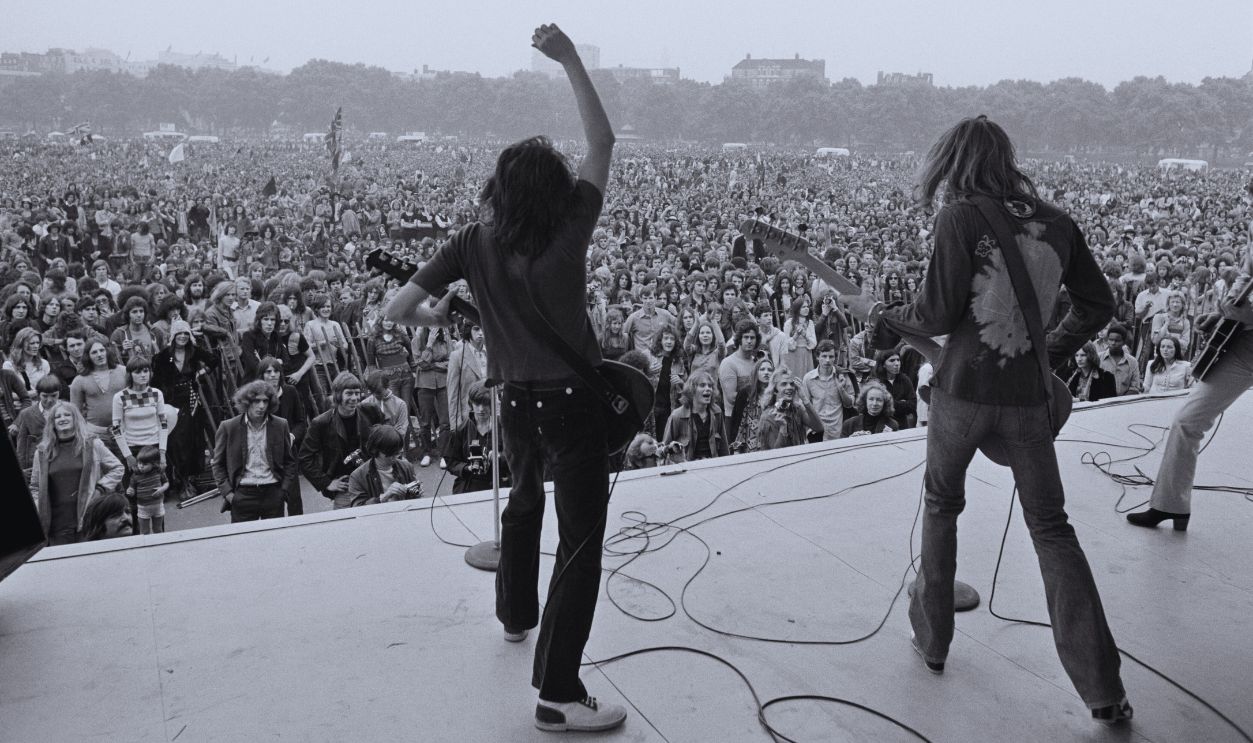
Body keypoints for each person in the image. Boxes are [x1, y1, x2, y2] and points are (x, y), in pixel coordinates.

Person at [384, 24, 627, 732]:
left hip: (513, 402)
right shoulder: (571, 224)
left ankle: (515, 616)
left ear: (497, 188)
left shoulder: (471, 240)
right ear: (554, 189)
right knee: (579, 543)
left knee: (522, 505)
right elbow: (603, 144)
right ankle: (557, 692)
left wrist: (450, 314)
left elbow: (398, 309)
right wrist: (570, 58)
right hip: (573, 403)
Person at [866, 116, 1130, 723]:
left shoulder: (959, 217)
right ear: (1007, 159)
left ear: (951, 162)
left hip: (961, 392)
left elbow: (933, 312)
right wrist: (1051, 353)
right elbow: (1100, 304)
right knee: (1052, 530)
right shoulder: (1058, 223)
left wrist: (884, 313)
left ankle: (933, 645)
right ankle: (1102, 692)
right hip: (1027, 401)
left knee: (941, 505)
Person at [1127, 261, 1253, 532]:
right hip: (1246, 348)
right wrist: (1225, 312)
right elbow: (1247, 273)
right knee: (1187, 422)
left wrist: (1246, 314)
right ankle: (1170, 505)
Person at [29, 401, 124, 545]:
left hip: (88, 519)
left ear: (75, 419)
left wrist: (101, 489)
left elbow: (117, 468)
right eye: (57, 416)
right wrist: (40, 508)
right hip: (57, 525)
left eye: (67, 415)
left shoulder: (92, 444)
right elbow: (35, 486)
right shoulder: (42, 452)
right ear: (52, 423)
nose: (62, 419)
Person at [211, 379, 298, 523]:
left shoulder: (280, 425)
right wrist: (229, 494)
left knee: (275, 541)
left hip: (273, 492)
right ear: (246, 402)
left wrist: (283, 490)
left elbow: (289, 461)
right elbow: (217, 464)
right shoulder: (228, 427)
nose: (261, 406)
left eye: (265, 401)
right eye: (256, 401)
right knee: (243, 543)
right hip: (243, 493)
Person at [299, 372, 371, 509]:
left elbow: (383, 442)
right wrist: (326, 483)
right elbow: (304, 458)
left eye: (357, 393)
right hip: (345, 487)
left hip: (371, 481)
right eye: (349, 393)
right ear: (338, 395)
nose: (354, 398)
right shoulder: (321, 423)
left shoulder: (369, 413)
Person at [257, 356, 308, 516]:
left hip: (288, 454)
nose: (273, 375)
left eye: (276, 371)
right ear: (262, 375)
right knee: (273, 502)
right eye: (268, 372)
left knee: (294, 499)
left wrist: (292, 436)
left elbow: (301, 422)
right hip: (266, 455)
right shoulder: (257, 397)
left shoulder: (290, 392)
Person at [444, 380, 512, 494]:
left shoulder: (505, 427)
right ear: (471, 404)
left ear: (492, 403)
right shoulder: (461, 430)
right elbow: (451, 461)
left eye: (485, 403)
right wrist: (467, 468)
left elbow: (518, 456)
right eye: (477, 404)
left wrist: (500, 457)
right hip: (470, 484)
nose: (481, 409)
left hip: (500, 482)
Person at [661, 371, 729, 461]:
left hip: (713, 465)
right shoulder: (677, 416)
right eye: (702, 385)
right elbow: (665, 448)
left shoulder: (717, 412)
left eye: (710, 386)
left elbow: (724, 447)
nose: (708, 388)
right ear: (692, 390)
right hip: (688, 468)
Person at [345, 425, 420, 507]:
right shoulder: (357, 476)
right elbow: (357, 508)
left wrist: (416, 494)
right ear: (375, 450)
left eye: (399, 453)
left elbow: (415, 501)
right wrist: (383, 498)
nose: (396, 457)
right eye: (391, 454)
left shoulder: (407, 467)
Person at [801, 340, 856, 441]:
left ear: (835, 358)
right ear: (817, 357)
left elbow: (850, 404)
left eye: (831, 357)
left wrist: (841, 389)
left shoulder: (842, 375)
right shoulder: (808, 378)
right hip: (816, 431)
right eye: (824, 356)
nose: (827, 360)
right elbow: (805, 407)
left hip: (837, 430)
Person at [756, 367, 823, 450]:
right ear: (775, 390)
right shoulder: (768, 417)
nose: (789, 387)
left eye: (792, 384)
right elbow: (774, 453)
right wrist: (783, 428)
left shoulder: (797, 409)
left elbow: (819, 428)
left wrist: (805, 399)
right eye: (784, 384)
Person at [127, 445, 168, 534]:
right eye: (139, 463)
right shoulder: (135, 476)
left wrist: (162, 489)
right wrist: (130, 491)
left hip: (158, 506)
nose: (140, 466)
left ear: (154, 464)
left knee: (158, 529)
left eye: (145, 464)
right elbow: (132, 490)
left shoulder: (158, 472)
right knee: (144, 531)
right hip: (143, 508)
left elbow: (166, 483)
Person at [1097, 324, 1141, 396]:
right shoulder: (1099, 358)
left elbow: (1135, 387)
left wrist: (1121, 401)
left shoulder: (1132, 362)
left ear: (1123, 342)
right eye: (1111, 340)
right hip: (1102, 402)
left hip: (1124, 403)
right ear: (1108, 340)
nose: (1113, 343)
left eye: (1117, 341)